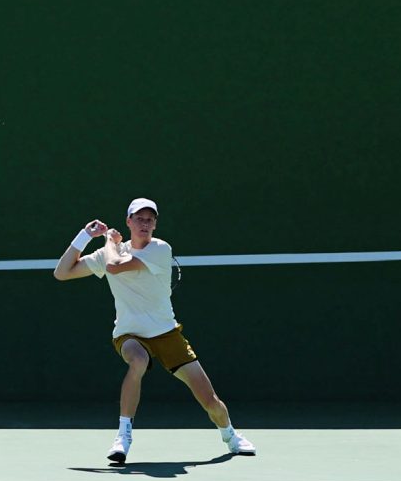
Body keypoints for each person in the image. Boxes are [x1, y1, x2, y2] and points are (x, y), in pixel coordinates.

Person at [52, 198, 255, 464]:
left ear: (155, 224)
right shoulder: (109, 251)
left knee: (210, 401)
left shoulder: (160, 249)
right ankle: (123, 436)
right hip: (129, 334)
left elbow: (114, 266)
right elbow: (62, 272)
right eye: (139, 218)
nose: (144, 224)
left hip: (167, 334)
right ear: (129, 222)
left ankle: (230, 435)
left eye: (150, 219)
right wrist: (84, 236)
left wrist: (109, 242)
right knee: (137, 360)